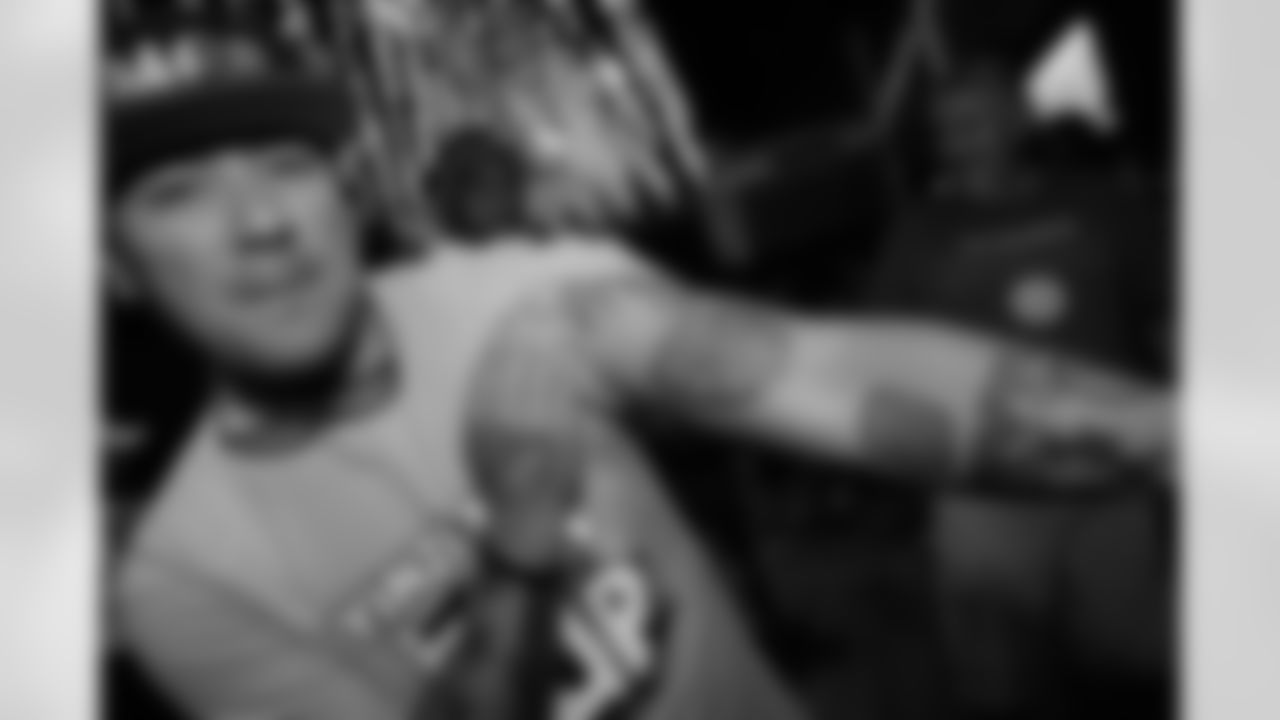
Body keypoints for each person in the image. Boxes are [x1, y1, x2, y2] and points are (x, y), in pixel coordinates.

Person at [108, 16, 1171, 720]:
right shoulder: (184, 580)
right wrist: (518, 546)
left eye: (287, 166)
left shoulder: (525, 300)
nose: (261, 222)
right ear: (111, 266)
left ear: (344, 195)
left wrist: (1185, 436)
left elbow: (824, 374)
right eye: (177, 194)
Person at [863, 61, 1174, 720]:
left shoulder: (1102, 203)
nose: (958, 141)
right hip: (986, 493)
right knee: (1000, 682)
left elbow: (1167, 317)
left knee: (1131, 662)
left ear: (1021, 120)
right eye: (945, 128)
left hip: (1109, 482)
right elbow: (883, 353)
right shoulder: (919, 231)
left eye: (975, 120)